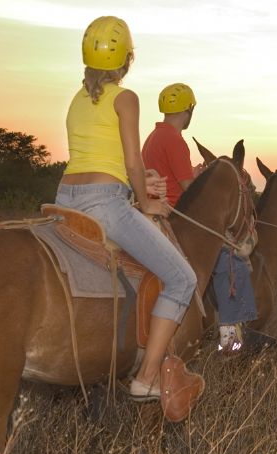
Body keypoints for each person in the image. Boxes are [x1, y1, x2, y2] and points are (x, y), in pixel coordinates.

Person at [55, 17, 198, 401]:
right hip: (104, 203)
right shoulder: (126, 98)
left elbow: (103, 157)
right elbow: (131, 161)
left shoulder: (77, 98)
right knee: (183, 279)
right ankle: (147, 377)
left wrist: (140, 182)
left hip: (64, 198)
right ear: (128, 59)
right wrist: (148, 198)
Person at [142, 83, 258, 355]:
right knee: (231, 261)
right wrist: (201, 176)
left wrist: (195, 171)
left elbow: (173, 174)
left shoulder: (153, 137)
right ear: (188, 110)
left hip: (155, 209)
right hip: (175, 213)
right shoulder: (175, 140)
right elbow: (185, 186)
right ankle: (232, 338)